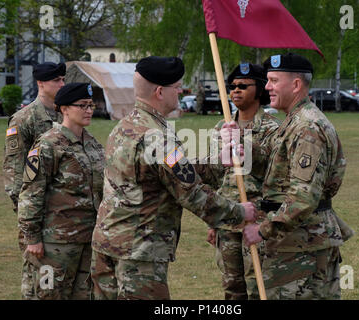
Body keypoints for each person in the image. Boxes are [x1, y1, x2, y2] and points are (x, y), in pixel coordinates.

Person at [90, 56, 257, 300]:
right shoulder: (156, 136)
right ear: (160, 92)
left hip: (108, 245)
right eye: (177, 88)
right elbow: (192, 194)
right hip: (138, 254)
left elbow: (168, 174)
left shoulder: (125, 127)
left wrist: (218, 161)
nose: (179, 92)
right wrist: (240, 213)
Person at [239, 53, 354, 300]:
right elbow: (274, 166)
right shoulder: (293, 121)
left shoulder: (307, 128)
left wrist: (264, 230)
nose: (266, 86)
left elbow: (303, 198)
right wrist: (243, 151)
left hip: (301, 249)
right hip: (295, 243)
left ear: (296, 84)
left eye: (273, 80)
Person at [18, 83, 105, 299]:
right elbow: (31, 194)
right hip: (55, 243)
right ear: (64, 108)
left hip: (88, 240)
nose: (88, 110)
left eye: (91, 105)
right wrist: (32, 238)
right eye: (82, 105)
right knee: (49, 295)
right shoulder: (48, 145)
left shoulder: (93, 144)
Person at [203, 63, 281, 300]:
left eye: (243, 86)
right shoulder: (222, 127)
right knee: (232, 289)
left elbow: (275, 174)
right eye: (232, 86)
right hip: (227, 220)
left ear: (259, 90)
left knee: (260, 286)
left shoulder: (271, 129)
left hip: (256, 221)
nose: (235, 91)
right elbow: (217, 177)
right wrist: (213, 220)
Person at [3, 61, 65, 299]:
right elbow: (15, 173)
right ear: (40, 83)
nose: (62, 84)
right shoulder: (24, 119)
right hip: (38, 212)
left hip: (65, 215)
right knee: (37, 279)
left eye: (62, 79)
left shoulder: (66, 114)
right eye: (56, 80)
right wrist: (29, 225)